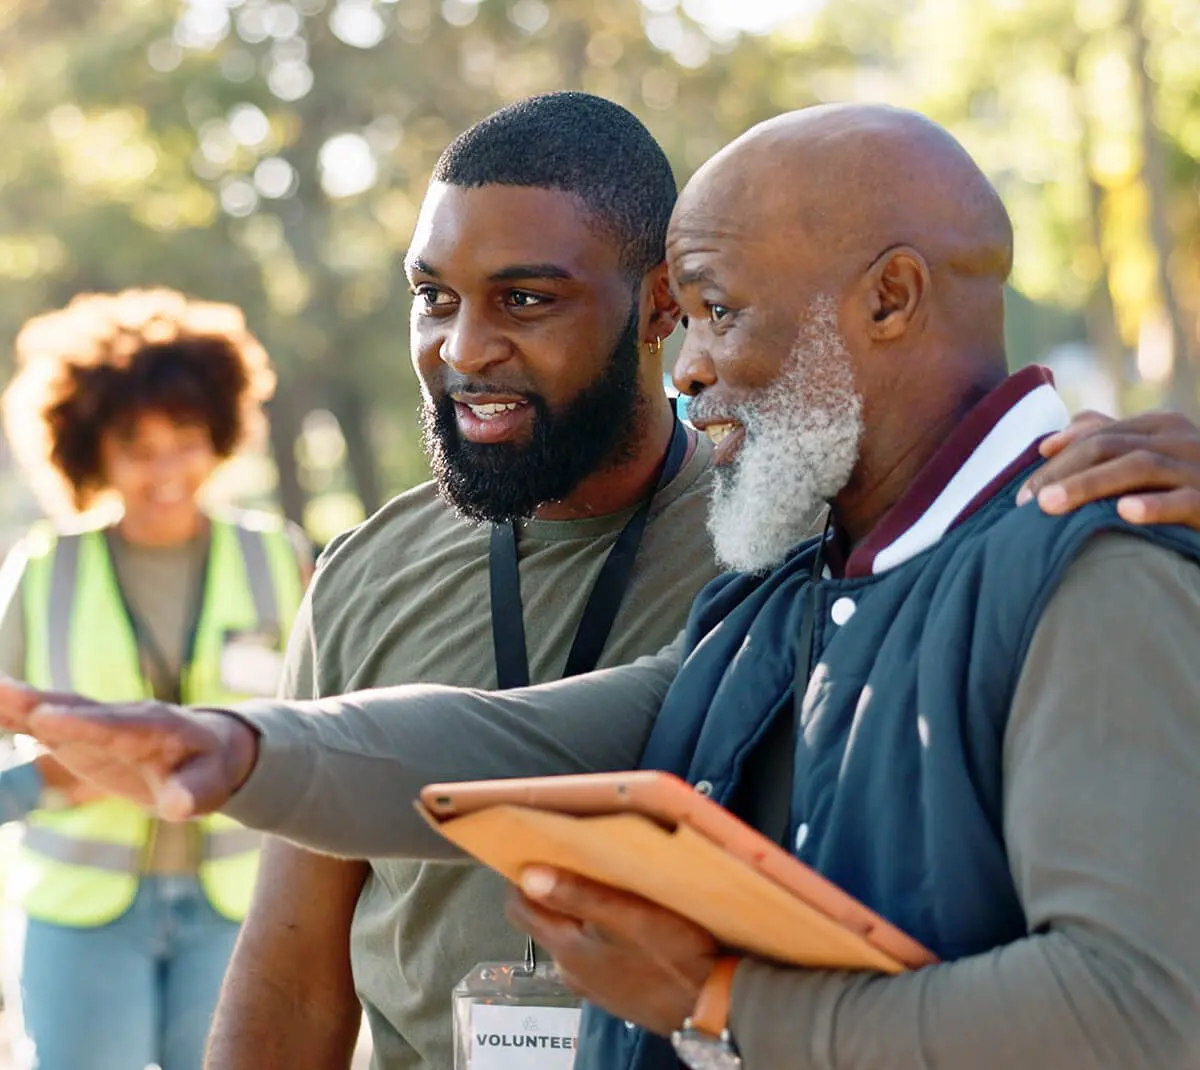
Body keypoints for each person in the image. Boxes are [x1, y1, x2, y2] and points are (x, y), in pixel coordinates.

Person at [10, 102, 1200, 1070]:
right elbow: (528, 742)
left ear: (888, 299)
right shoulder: (797, 586)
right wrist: (230, 748)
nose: (689, 365)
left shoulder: (1092, 561)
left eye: (717, 311)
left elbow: (1141, 1013)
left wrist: (721, 998)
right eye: (432, 295)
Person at [207, 92, 718, 1070]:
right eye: (434, 296)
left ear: (662, 303)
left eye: (525, 299)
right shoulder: (365, 573)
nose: (462, 348)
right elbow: (293, 968)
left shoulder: (790, 543)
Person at [0, 288, 308, 1070]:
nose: (165, 468)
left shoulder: (278, 556)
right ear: (91, 448)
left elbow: (327, 722)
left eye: (187, 437)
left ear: (221, 434)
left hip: (239, 907)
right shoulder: (44, 568)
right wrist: (50, 782)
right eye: (137, 444)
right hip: (84, 917)